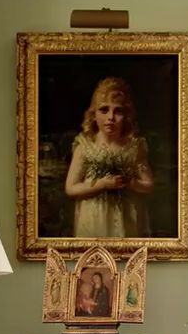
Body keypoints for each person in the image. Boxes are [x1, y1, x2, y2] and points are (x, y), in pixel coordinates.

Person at [65, 77, 153, 238]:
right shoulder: (85, 146)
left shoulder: (134, 146)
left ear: (126, 115)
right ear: (93, 114)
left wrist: (131, 182)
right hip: (93, 218)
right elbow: (71, 188)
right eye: (104, 110)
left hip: (126, 217)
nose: (110, 117)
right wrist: (102, 184)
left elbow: (148, 184)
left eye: (118, 111)